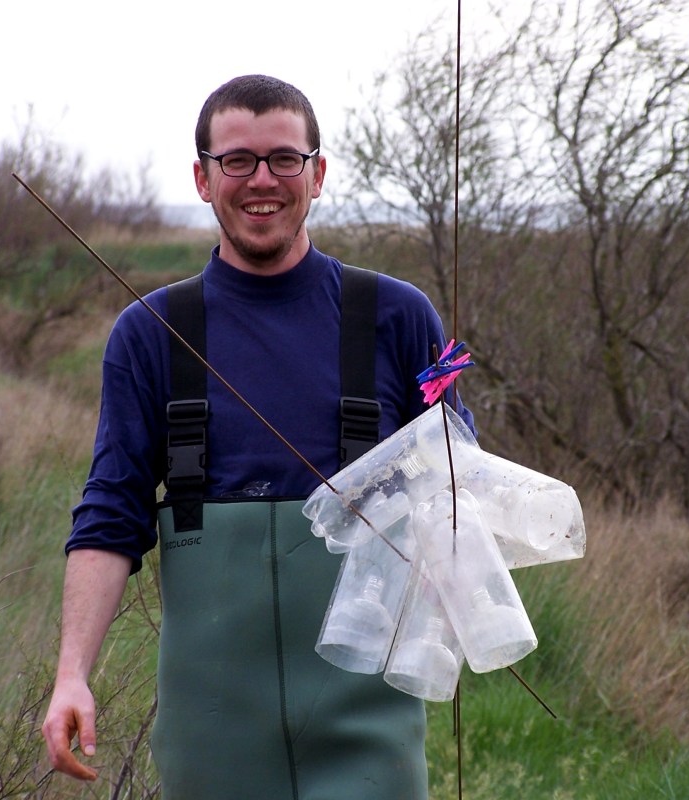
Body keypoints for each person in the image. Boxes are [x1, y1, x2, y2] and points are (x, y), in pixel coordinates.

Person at [41, 74, 474, 799]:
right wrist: (69, 676)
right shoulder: (149, 333)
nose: (262, 180)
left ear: (318, 173)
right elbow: (110, 514)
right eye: (237, 160)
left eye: (284, 159)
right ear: (203, 179)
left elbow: (456, 498)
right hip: (209, 727)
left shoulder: (399, 317)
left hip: (370, 721)